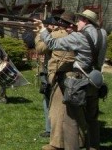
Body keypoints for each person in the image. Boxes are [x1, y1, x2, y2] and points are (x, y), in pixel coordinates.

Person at [34, 9, 107, 150]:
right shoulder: (103, 34)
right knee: (92, 119)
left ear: (85, 21)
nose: (76, 23)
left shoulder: (80, 37)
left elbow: (51, 44)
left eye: (79, 20)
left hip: (80, 81)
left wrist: (42, 30)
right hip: (96, 80)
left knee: (70, 121)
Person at [35, 13, 76, 146]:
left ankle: (56, 140)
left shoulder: (58, 34)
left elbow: (40, 48)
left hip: (59, 74)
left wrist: (39, 32)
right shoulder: (75, 34)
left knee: (55, 110)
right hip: (71, 75)